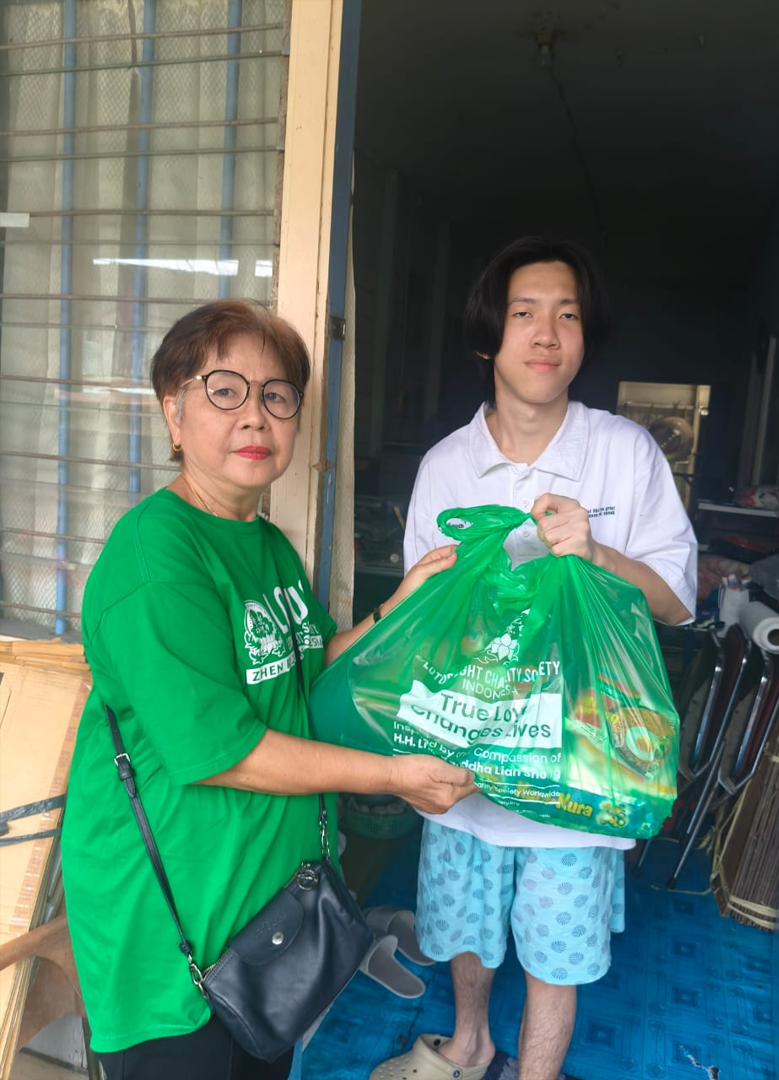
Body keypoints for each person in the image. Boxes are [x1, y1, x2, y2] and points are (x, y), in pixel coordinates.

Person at [60, 299, 477, 1080]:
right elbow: (224, 751)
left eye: (277, 395)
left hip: (270, 922)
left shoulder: (268, 547)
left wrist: (400, 604)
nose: (255, 414)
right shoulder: (158, 554)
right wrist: (393, 776)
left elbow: (312, 667)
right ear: (173, 412)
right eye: (225, 390)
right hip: (176, 938)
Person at [371, 236, 697, 1080]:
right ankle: (469, 1044)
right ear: (491, 335)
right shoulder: (447, 467)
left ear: (585, 339)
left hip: (580, 761)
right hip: (466, 756)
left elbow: (676, 600)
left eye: (568, 315)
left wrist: (598, 555)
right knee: (465, 928)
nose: (547, 333)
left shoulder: (624, 453)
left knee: (558, 951)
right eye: (525, 313)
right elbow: (419, 621)